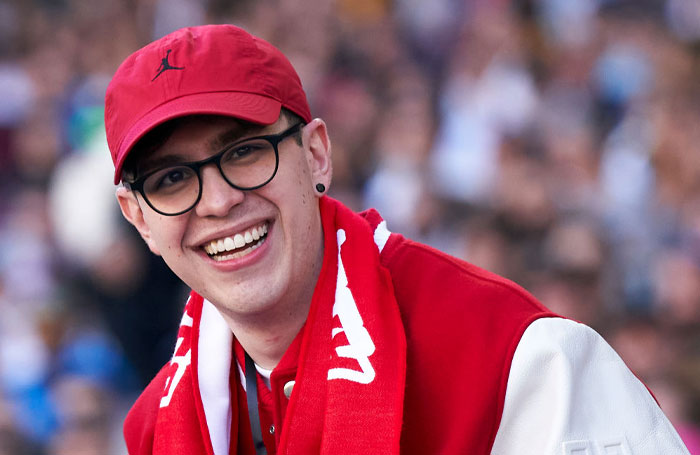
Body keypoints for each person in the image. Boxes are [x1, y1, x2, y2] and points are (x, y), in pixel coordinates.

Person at [104, 24, 690, 455]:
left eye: (244, 151)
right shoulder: (155, 428)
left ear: (316, 154)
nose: (218, 200)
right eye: (172, 179)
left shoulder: (515, 359)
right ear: (139, 219)